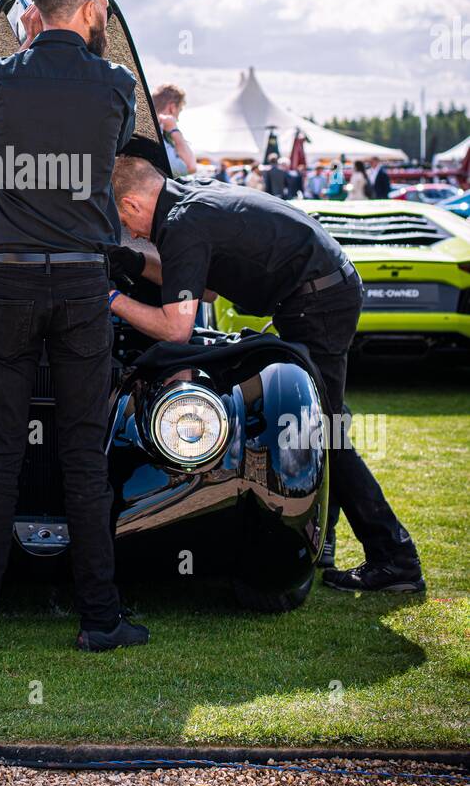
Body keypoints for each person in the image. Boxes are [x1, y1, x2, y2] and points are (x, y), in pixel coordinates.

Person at [0, 0, 147, 655]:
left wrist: (25, 46)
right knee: (83, 454)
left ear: (35, 11)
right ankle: (99, 618)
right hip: (85, 285)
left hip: (11, 280)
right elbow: (111, 145)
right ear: (90, 8)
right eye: (103, 12)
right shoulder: (115, 84)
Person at [107, 157, 424, 595]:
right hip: (321, 289)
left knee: (325, 431)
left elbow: (175, 328)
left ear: (131, 202)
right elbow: (206, 287)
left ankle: (395, 557)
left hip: (318, 299)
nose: (134, 233)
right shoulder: (190, 201)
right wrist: (134, 261)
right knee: (328, 422)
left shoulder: (181, 223)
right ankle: (324, 542)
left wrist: (110, 299)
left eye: (125, 223)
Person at [152, 85, 196, 177]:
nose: (178, 118)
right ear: (172, 108)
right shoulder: (159, 129)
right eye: (179, 110)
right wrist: (174, 129)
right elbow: (190, 166)